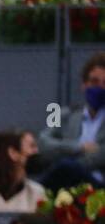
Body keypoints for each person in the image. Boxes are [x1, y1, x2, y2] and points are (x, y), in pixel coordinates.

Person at [38, 53, 105, 193]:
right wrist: (79, 148)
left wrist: (64, 158)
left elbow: (100, 157)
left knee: (66, 167)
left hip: (99, 189)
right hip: (63, 188)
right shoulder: (60, 112)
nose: (100, 88)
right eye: (94, 81)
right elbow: (42, 143)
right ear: (83, 84)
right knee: (65, 168)